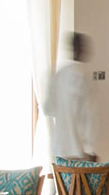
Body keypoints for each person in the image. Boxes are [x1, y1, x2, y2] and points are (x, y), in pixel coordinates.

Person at [42, 32, 97, 161]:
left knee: (62, 176)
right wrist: (91, 147)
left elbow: (48, 109)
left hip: (59, 148)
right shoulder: (84, 76)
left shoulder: (58, 74)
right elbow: (90, 115)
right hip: (80, 149)